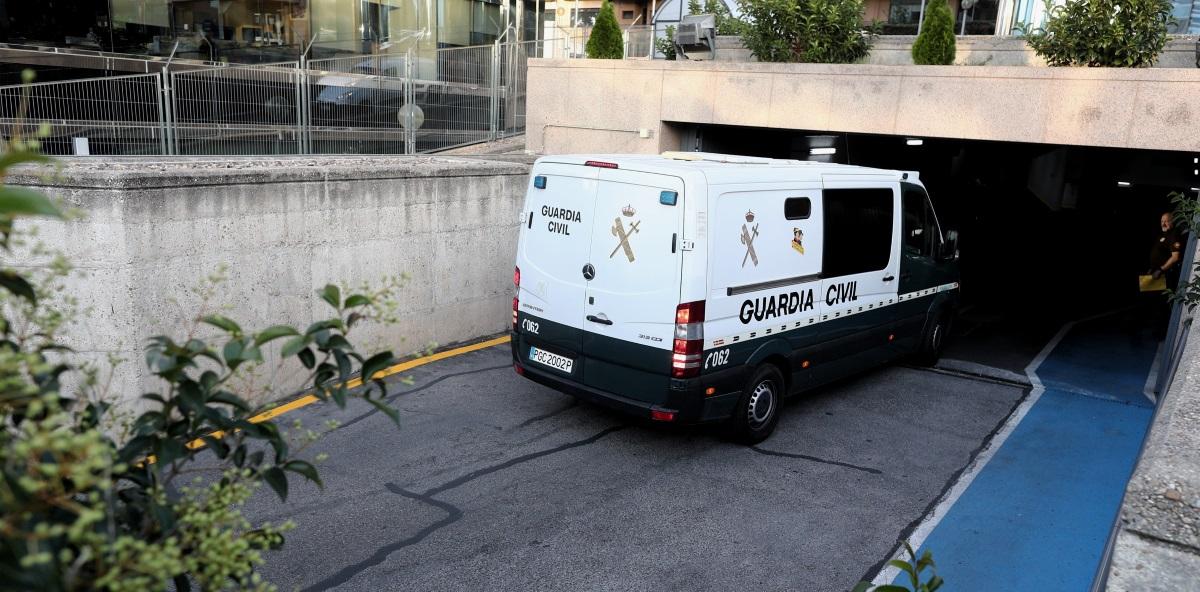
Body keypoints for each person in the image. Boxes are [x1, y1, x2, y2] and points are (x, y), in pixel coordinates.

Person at [1149, 212, 1186, 292]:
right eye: (1162, 221)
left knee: (1165, 298)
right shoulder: (1163, 234)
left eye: (1166, 221)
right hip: (1156, 274)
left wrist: (1160, 270)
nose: (1163, 224)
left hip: (1165, 275)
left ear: (1172, 221)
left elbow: (1175, 257)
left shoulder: (1174, 234)